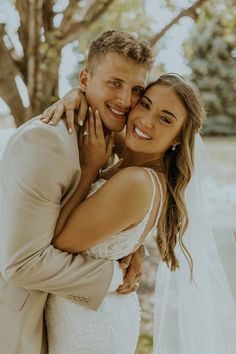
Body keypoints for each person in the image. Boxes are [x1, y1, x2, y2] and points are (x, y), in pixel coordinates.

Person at [0, 31, 153, 354]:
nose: (126, 100)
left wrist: (131, 245)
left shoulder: (113, 135)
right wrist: (113, 275)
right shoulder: (45, 143)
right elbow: (21, 264)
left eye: (136, 89)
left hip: (73, 322)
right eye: (115, 83)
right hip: (21, 325)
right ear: (85, 78)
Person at [43, 72, 204, 353]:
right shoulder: (131, 154)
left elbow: (61, 241)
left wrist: (91, 169)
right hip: (85, 308)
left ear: (179, 138)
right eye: (145, 104)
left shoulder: (137, 182)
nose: (145, 121)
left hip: (91, 325)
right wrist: (73, 95)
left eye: (165, 119)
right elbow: (95, 104)